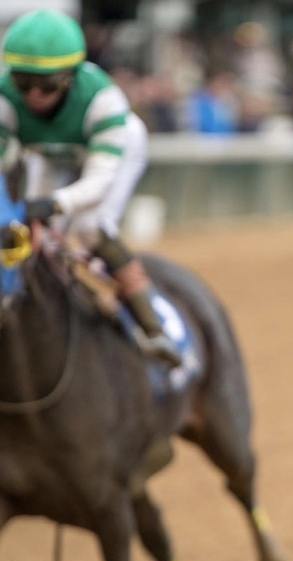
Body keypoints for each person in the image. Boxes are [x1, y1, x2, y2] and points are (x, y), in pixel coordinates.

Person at [0, 9, 180, 364]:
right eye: (24, 83)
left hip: (114, 153)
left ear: (70, 77)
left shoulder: (103, 101)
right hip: (51, 154)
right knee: (31, 232)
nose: (34, 95)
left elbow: (98, 183)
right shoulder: (4, 97)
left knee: (88, 227)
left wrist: (51, 204)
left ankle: (153, 327)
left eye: (47, 85)